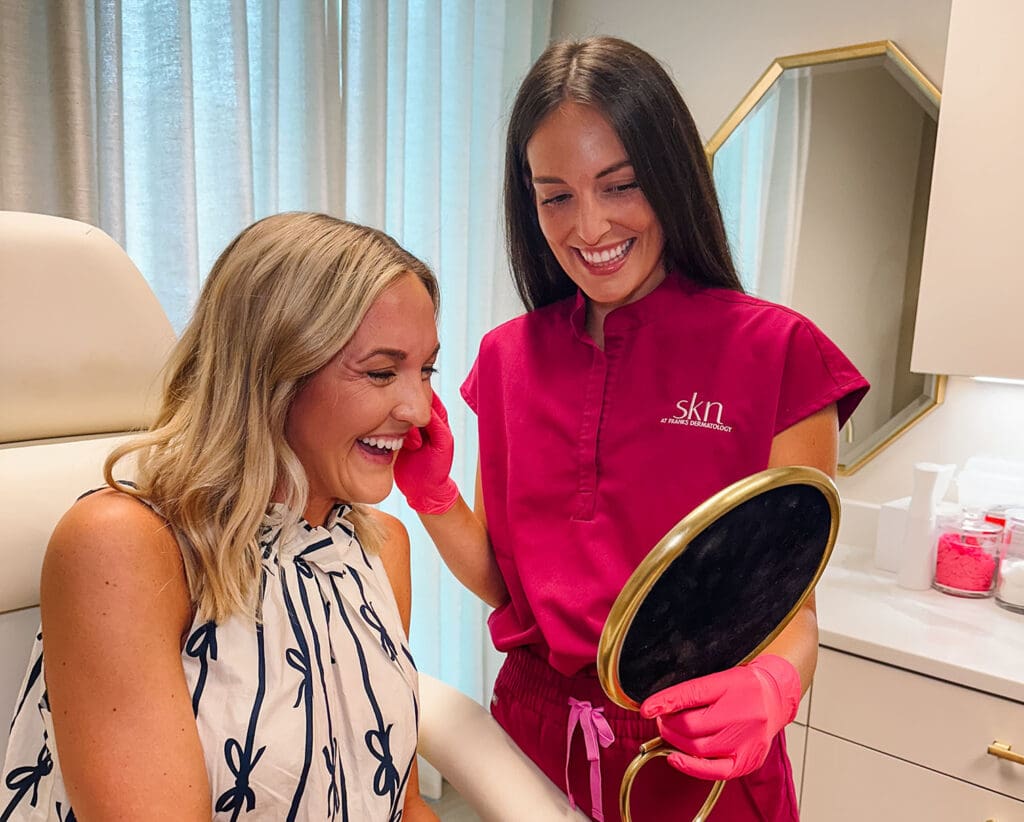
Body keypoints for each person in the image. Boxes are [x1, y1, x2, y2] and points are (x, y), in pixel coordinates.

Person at [394, 36, 869, 821]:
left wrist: (773, 686)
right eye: (555, 196)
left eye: (621, 185)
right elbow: (505, 584)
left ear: (672, 177)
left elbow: (792, 610)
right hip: (532, 741)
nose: (589, 226)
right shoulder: (507, 358)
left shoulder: (779, 354)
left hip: (695, 753)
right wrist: (436, 494)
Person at [2, 212, 441, 822]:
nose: (420, 409)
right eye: (380, 372)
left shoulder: (376, 550)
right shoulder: (122, 547)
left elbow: (404, 803)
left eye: (426, 370)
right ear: (273, 371)